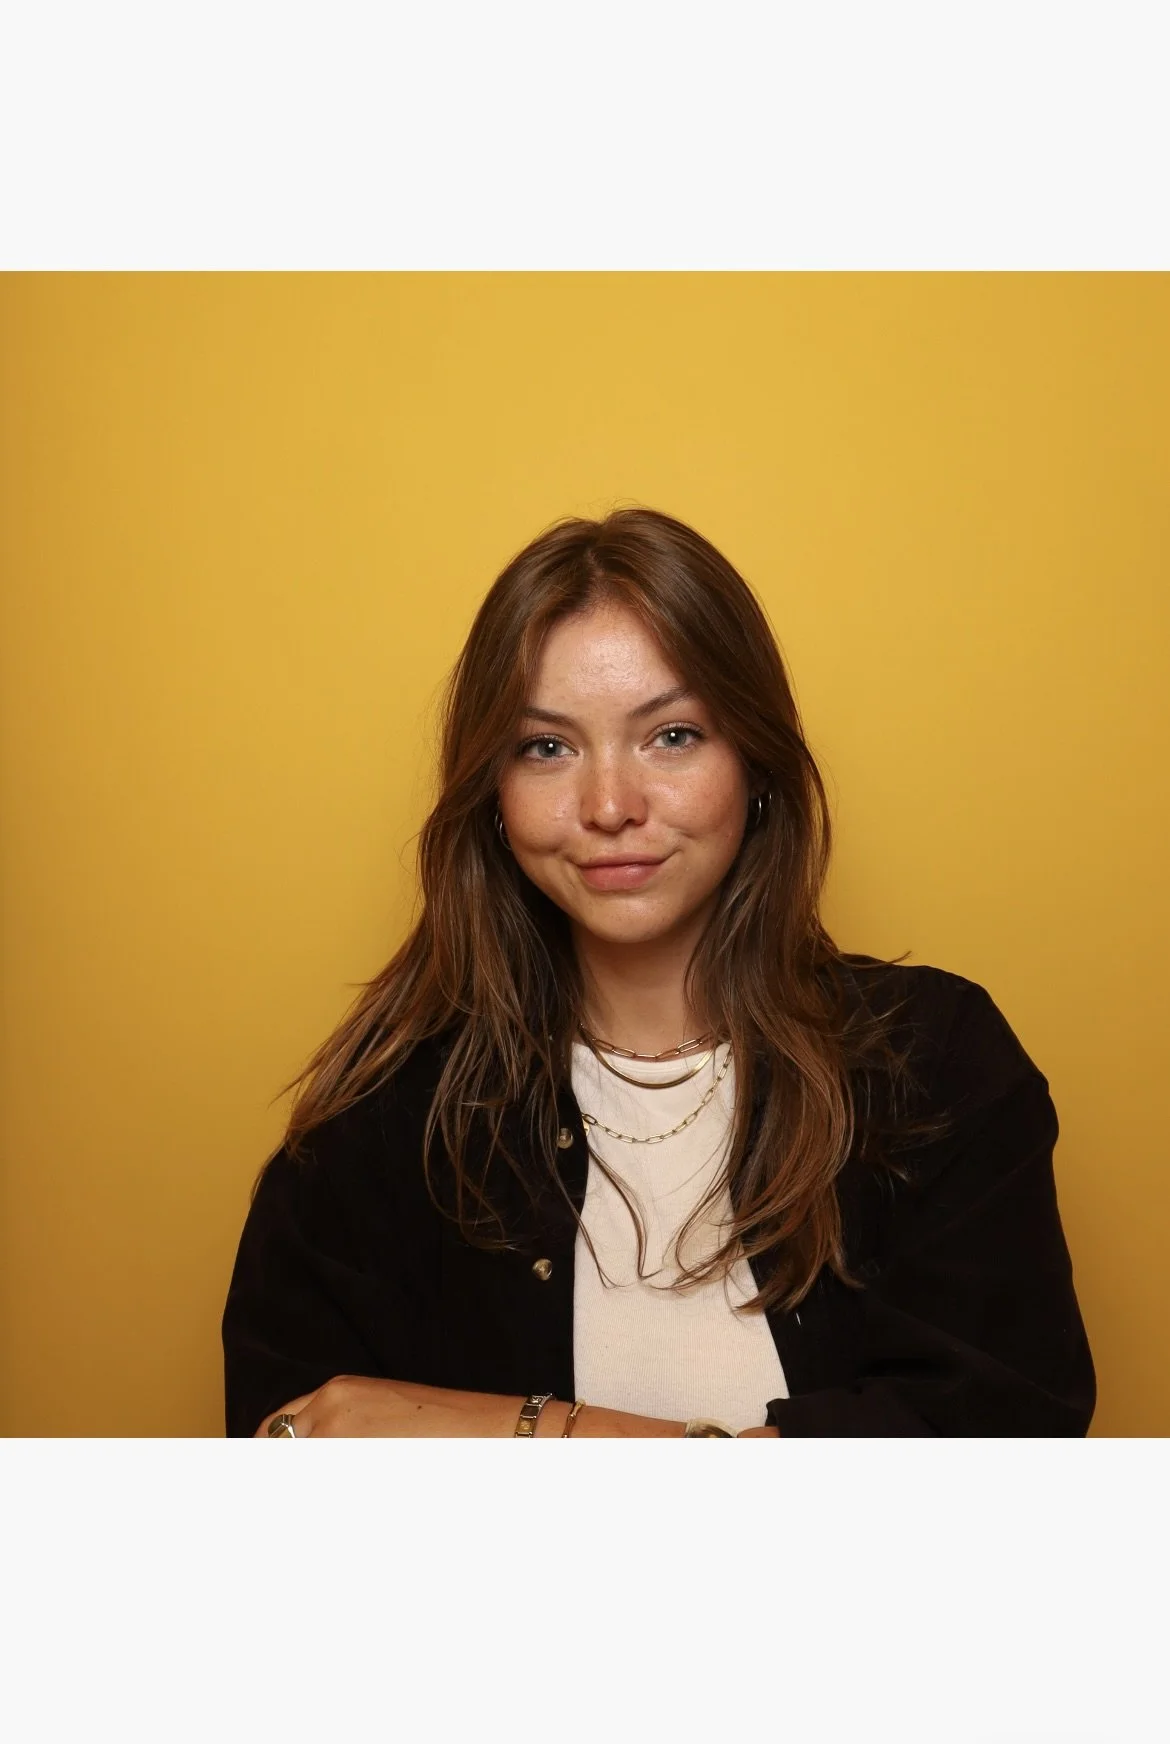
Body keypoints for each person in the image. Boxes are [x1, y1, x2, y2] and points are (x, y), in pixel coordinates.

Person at [221, 507, 1095, 1438]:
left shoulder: (938, 1064)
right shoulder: (381, 1117)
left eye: (671, 735)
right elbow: (289, 1460)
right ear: (493, 795)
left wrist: (534, 1434)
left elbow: (1004, 1450)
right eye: (546, 747)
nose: (609, 805)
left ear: (755, 761)